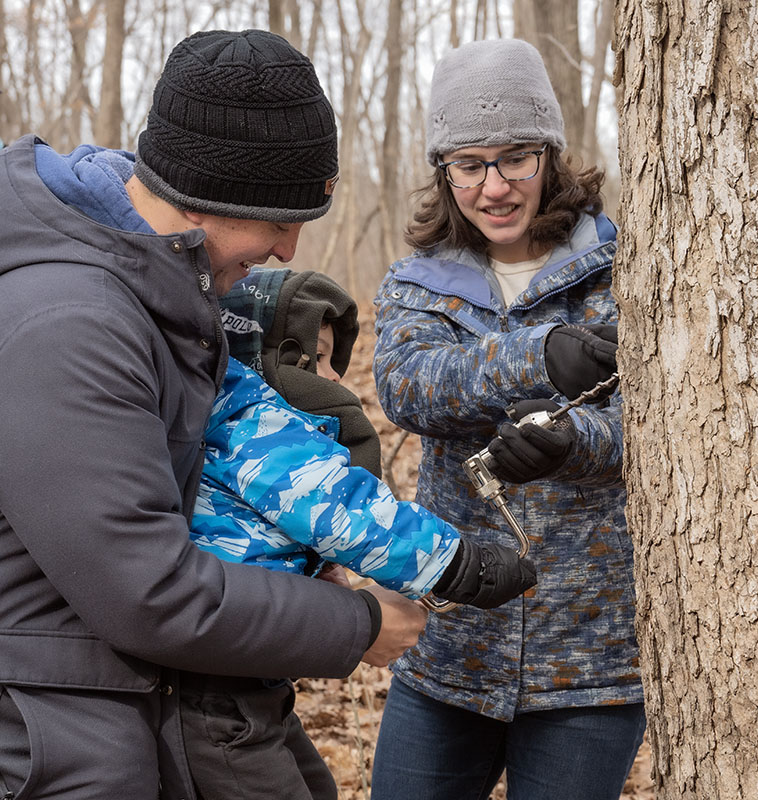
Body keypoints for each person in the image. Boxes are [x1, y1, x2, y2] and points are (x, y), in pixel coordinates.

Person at [0, 29, 422, 800]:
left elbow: (189, 493)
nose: (291, 250)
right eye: (282, 218)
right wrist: (354, 625)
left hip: (146, 712)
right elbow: (149, 590)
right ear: (223, 195)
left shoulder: (160, 294)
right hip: (60, 746)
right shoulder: (72, 322)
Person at [369, 38, 645, 800]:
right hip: (449, 650)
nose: (494, 186)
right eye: (469, 164)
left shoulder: (626, 269)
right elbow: (408, 387)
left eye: (516, 157)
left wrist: (569, 442)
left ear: (550, 155)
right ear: (444, 171)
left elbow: (654, 429)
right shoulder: (419, 284)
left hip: (590, 665)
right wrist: (540, 357)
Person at [181, 266, 536, 797]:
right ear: (264, 358)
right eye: (316, 359)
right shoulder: (249, 425)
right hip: (219, 694)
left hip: (251, 681)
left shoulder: (235, 415)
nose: (336, 379)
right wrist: (459, 565)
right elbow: (347, 512)